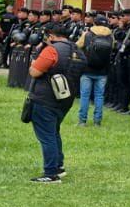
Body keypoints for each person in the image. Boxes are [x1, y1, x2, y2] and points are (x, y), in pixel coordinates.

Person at [26, 21, 80, 182]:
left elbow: (34, 72)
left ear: (51, 36)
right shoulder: (78, 50)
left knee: (47, 135)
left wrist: (34, 62)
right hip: (66, 97)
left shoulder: (51, 50)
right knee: (54, 132)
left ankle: (51, 173)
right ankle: (58, 166)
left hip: (45, 98)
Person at [76, 15, 115, 127]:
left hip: (87, 69)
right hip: (103, 71)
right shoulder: (110, 36)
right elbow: (112, 49)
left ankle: (82, 121)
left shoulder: (87, 34)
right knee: (99, 96)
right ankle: (97, 121)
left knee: (85, 96)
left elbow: (77, 46)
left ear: (94, 23)